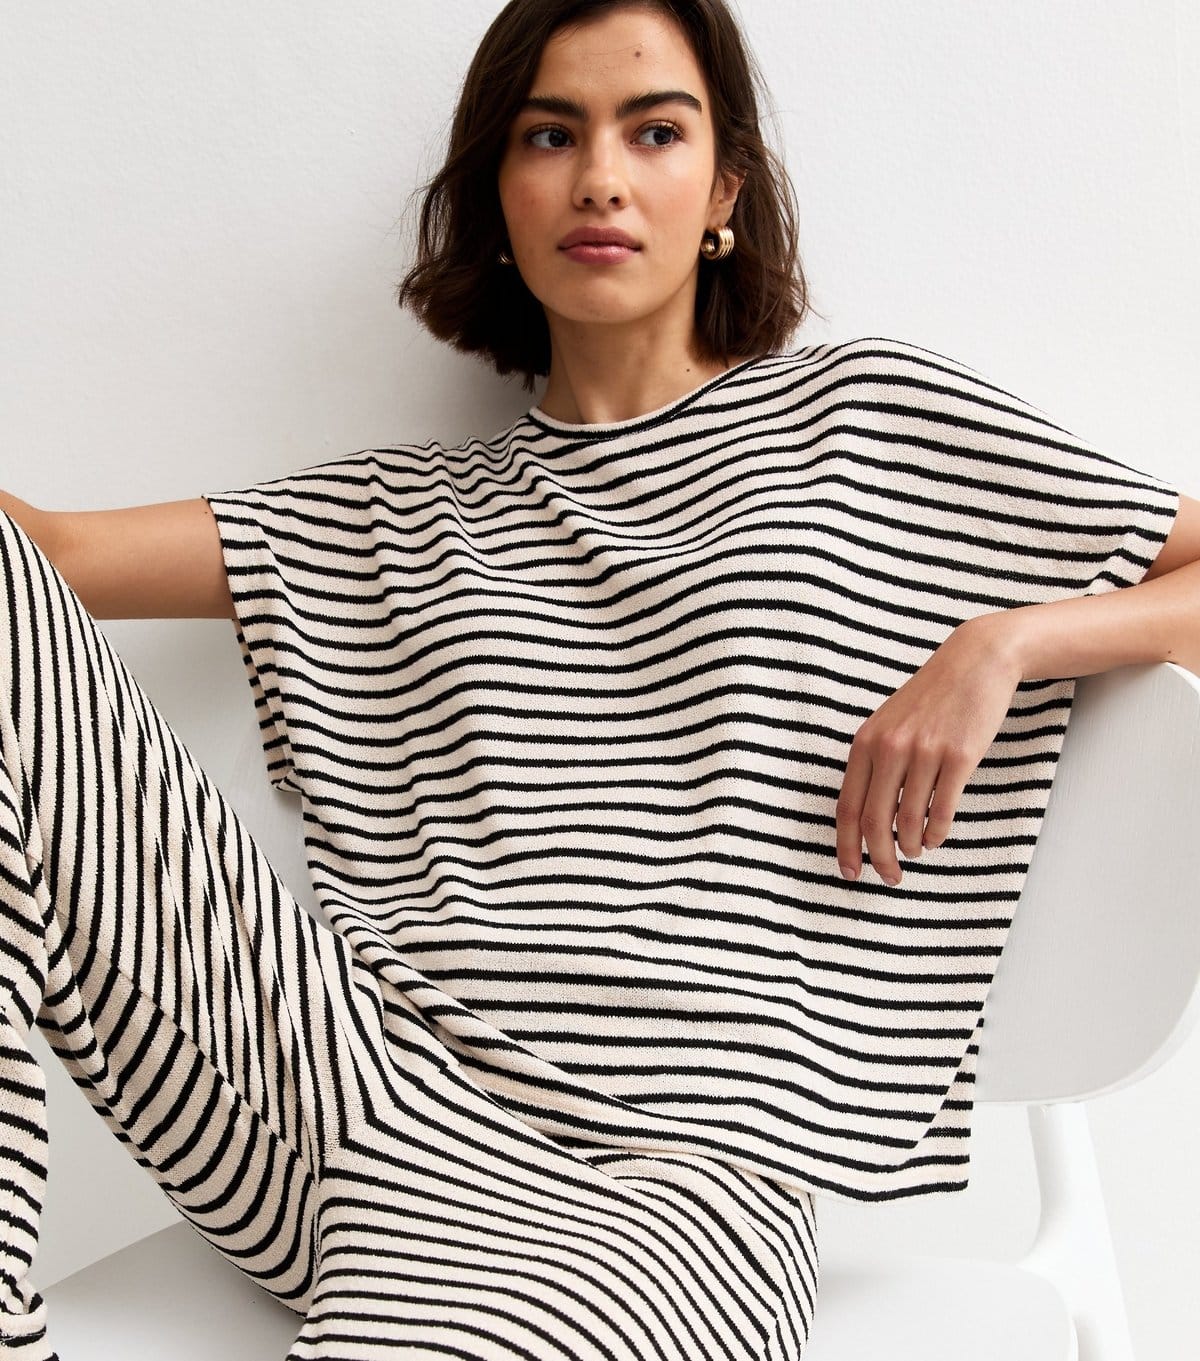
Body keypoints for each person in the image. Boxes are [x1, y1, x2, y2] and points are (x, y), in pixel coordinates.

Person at [1, 1, 1197, 1357]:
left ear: (725, 188)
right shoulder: (401, 512)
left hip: (674, 1185)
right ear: (499, 194)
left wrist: (1012, 639)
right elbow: (48, 556)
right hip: (342, 1094)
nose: (602, 178)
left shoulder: (866, 421)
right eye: (550, 135)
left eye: (656, 131)